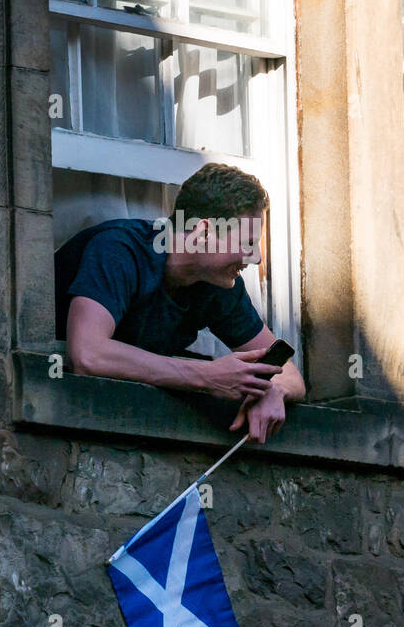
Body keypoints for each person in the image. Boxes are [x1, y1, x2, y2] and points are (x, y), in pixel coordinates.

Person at [55, 163, 305, 444]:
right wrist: (207, 377)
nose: (256, 257)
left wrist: (271, 391)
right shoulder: (118, 250)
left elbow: (291, 376)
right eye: (247, 243)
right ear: (204, 233)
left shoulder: (220, 285)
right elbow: (87, 355)